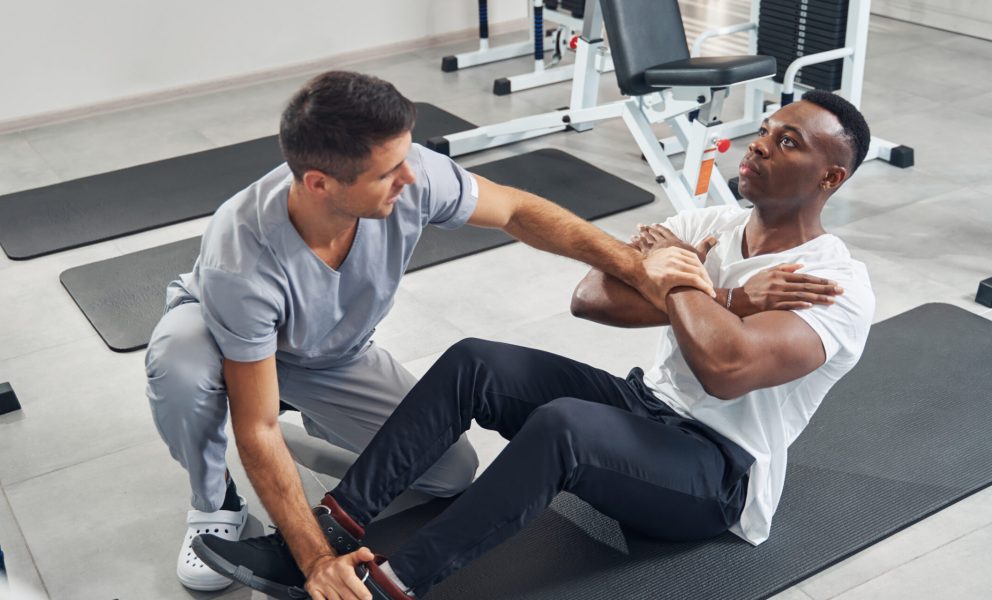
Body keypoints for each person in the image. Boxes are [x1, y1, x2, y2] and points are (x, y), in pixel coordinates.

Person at [193, 90, 876, 600]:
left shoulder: (833, 285)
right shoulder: (711, 222)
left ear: (830, 179)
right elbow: (591, 297)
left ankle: (388, 587)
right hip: (647, 407)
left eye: (788, 143)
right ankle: (334, 527)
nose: (758, 145)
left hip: (717, 474)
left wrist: (681, 281)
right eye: (764, 130)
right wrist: (721, 297)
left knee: (564, 426)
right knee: (477, 361)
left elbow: (727, 368)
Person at [145, 69, 722, 591]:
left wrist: (633, 265)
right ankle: (213, 497)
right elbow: (258, 423)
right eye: (388, 171)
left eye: (407, 157)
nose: (412, 176)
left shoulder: (411, 174)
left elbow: (518, 212)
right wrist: (315, 559)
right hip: (225, 337)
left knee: (450, 474)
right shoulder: (241, 258)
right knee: (183, 365)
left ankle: (312, 420)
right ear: (320, 184)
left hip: (331, 355)